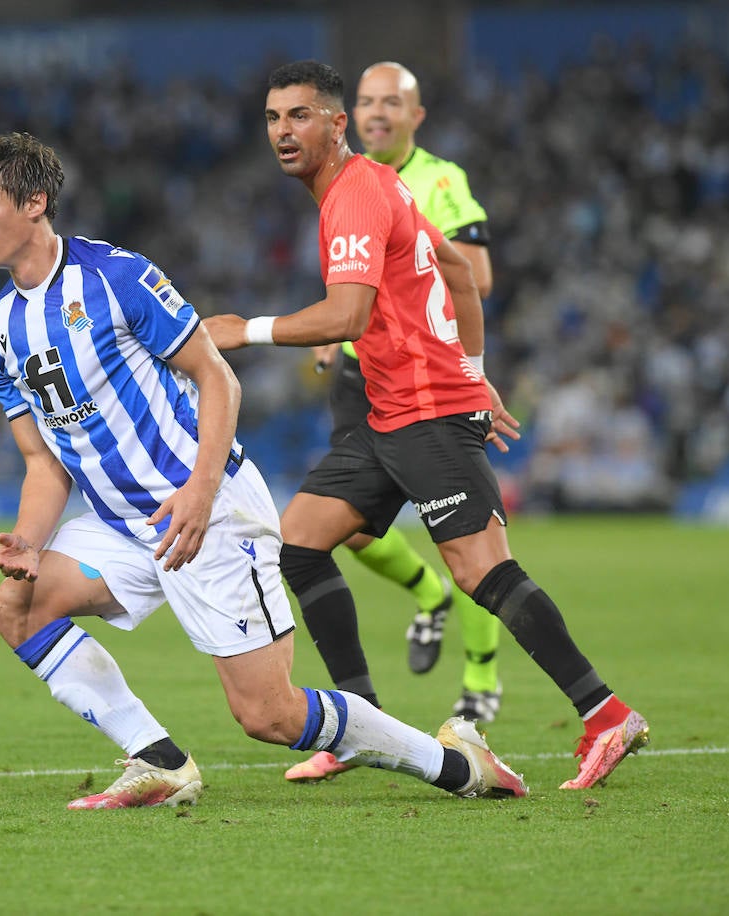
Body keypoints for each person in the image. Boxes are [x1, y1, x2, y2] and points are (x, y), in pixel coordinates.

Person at [0, 131, 527, 812]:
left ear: (35, 202)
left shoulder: (118, 277)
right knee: (16, 607)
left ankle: (455, 764)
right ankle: (158, 760)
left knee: (269, 716)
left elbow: (218, 380)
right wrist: (26, 540)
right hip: (125, 526)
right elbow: (42, 462)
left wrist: (198, 492)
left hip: (211, 506)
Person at [206, 60, 648, 791]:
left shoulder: (353, 196)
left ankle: (604, 713)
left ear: (336, 123)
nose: (284, 131)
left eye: (301, 116)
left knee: (482, 571)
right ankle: (360, 722)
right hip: (394, 411)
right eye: (273, 119)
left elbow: (347, 315)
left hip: (428, 412)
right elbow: (459, 272)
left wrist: (241, 329)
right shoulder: (381, 185)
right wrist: (474, 370)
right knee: (302, 540)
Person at [286, 61, 504, 784]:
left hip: (425, 375)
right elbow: (351, 287)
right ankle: (422, 601)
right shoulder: (343, 185)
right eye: (369, 101)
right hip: (359, 372)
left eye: (391, 103)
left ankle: (479, 678)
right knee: (336, 531)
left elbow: (473, 271)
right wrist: (332, 327)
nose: (378, 113)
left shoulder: (438, 180)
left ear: (415, 115)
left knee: (469, 538)